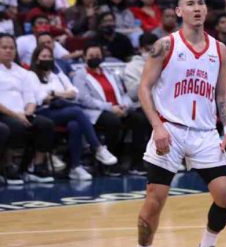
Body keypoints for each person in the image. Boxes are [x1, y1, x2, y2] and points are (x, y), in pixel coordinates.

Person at [136, 0, 226, 247]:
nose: (197, 8)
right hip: (170, 128)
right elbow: (143, 88)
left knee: (225, 196)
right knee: (154, 201)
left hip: (205, 132)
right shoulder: (165, 45)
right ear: (179, 11)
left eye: (201, 3)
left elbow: (223, 93)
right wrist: (157, 126)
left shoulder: (220, 49)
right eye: (190, 3)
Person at [29, 46, 117, 180]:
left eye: (49, 56)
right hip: (44, 112)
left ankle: (75, 167)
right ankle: (97, 148)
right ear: (36, 60)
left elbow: (74, 92)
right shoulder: (31, 75)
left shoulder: (56, 74)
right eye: (44, 57)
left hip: (62, 109)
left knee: (74, 125)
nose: (47, 59)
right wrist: (59, 94)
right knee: (76, 111)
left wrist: (55, 94)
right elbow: (41, 98)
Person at [74, 43, 150, 175]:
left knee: (140, 119)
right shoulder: (80, 75)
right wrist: (110, 107)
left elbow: (123, 93)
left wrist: (124, 105)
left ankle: (136, 163)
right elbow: (85, 99)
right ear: (84, 57)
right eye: (91, 56)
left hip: (119, 108)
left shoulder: (109, 73)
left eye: (97, 55)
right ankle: (109, 164)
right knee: (113, 122)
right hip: (96, 112)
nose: (95, 58)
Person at [0, 33, 55, 184]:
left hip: (23, 113)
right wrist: (16, 116)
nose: (8, 51)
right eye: (4, 47)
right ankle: (9, 167)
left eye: (11, 48)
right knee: (14, 126)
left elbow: (30, 97)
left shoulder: (22, 72)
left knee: (45, 124)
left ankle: (35, 168)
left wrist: (29, 112)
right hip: (4, 113)